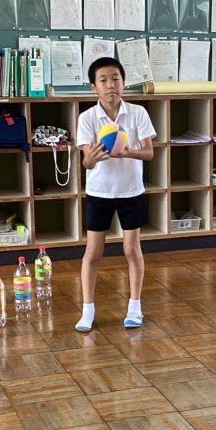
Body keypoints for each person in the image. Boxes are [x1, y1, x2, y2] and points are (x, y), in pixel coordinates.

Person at [75, 57, 156, 332]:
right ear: (93, 87)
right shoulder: (87, 118)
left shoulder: (138, 113)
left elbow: (149, 153)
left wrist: (128, 152)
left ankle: (135, 308)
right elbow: (86, 163)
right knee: (93, 252)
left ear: (123, 82)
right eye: (103, 80)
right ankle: (87, 311)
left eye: (115, 79)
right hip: (99, 192)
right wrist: (91, 159)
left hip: (131, 191)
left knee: (131, 249)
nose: (110, 85)